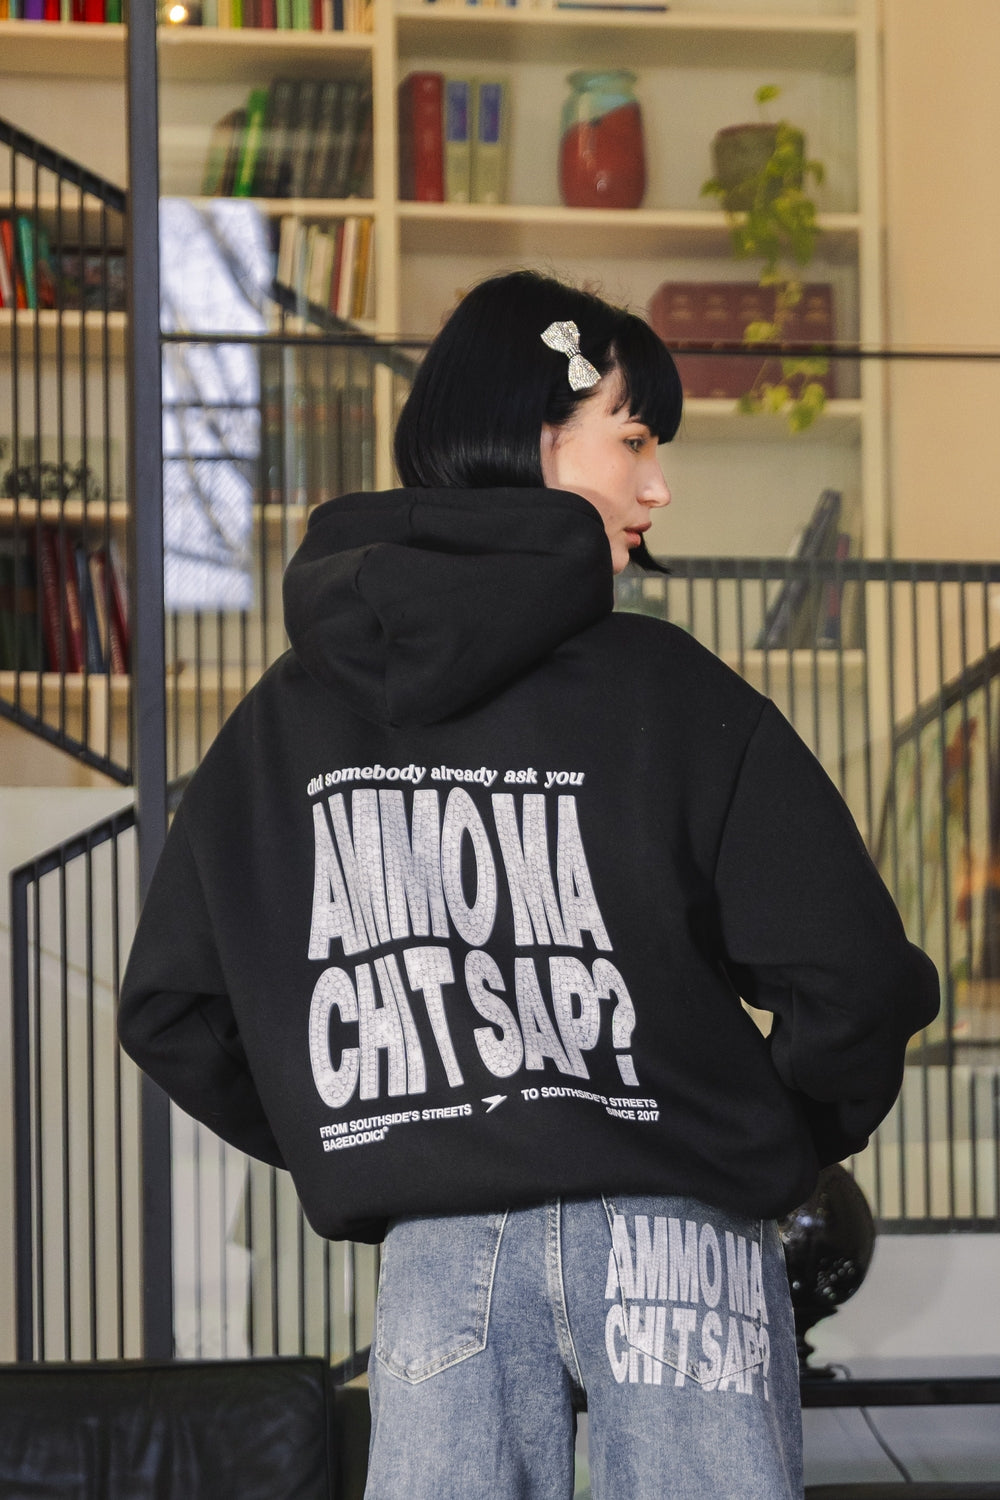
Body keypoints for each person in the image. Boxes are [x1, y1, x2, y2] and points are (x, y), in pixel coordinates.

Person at [118, 269, 939, 1500]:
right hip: (677, 1230)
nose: (657, 487)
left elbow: (173, 1011)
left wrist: (380, 1131)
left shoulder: (284, 720)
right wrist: (769, 1138)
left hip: (440, 1250)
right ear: (535, 435)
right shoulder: (669, 690)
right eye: (634, 438)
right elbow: (854, 977)